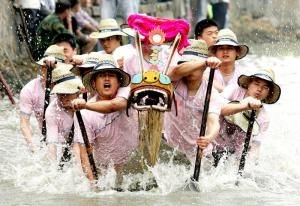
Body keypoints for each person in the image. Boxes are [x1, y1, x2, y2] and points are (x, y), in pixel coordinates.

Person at [71, 54, 138, 187]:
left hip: (134, 168)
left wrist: (84, 105)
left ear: (119, 82)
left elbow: (114, 106)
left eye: (111, 75)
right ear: (94, 83)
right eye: (101, 75)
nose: (107, 78)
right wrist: (93, 185)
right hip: (107, 174)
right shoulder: (84, 114)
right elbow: (84, 153)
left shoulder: (126, 92)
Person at [164, 39, 222, 161]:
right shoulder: (174, 81)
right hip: (171, 147)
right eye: (188, 64)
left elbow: (214, 123)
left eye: (194, 65)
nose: (190, 70)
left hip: (199, 151)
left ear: (204, 69)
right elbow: (174, 71)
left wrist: (208, 138)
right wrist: (204, 62)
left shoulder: (211, 94)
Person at [212, 68, 281, 166]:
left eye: (265, 87)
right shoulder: (233, 91)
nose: (259, 89)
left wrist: (251, 162)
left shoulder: (264, 118)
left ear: (269, 93)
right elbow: (216, 108)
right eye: (256, 84)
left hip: (233, 154)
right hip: (212, 142)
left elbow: (256, 146)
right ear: (249, 84)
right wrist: (245, 105)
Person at [19, 45, 66, 152]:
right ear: (41, 67)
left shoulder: (72, 85)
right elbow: (24, 123)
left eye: (53, 68)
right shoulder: (30, 90)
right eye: (45, 67)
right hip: (47, 140)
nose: (48, 71)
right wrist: (33, 147)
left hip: (69, 141)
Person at [45, 63, 82, 161]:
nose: (63, 97)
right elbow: (52, 143)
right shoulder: (52, 112)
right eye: (60, 93)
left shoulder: (88, 101)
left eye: (67, 93)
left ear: (78, 91)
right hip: (69, 148)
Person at [207, 28, 249, 92]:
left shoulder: (244, 75)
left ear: (237, 52)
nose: (225, 51)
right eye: (221, 48)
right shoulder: (207, 72)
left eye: (230, 48)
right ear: (215, 52)